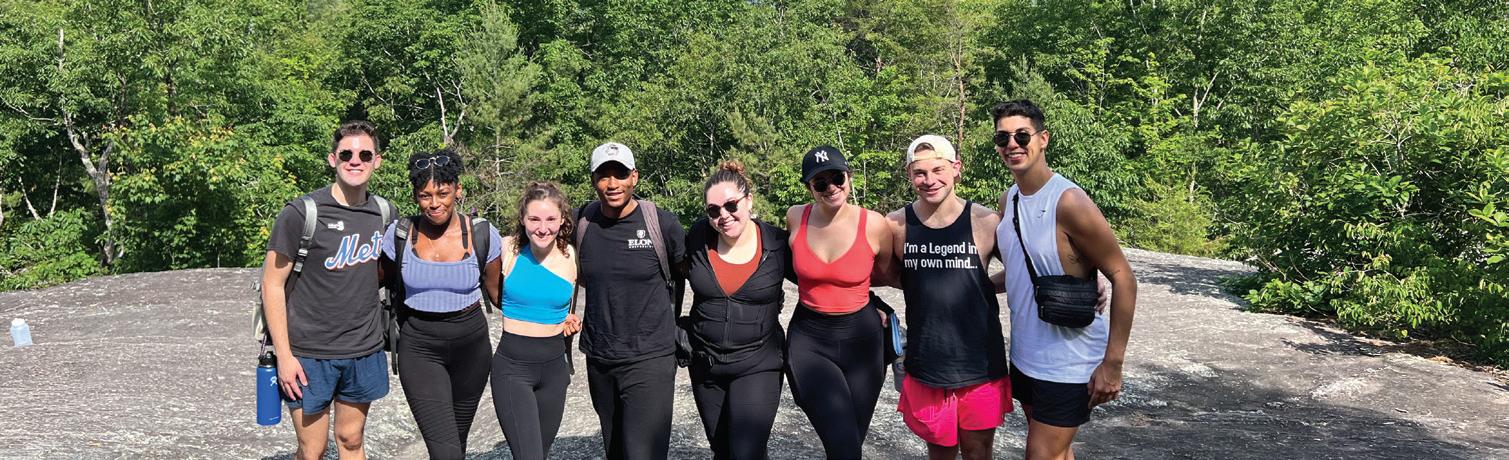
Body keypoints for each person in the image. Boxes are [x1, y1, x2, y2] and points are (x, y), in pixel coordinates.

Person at [991, 100, 1138, 460]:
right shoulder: (1008, 200)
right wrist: (971, 286)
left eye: (1022, 136)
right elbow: (1021, 271)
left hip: (1070, 360)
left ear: (1043, 139)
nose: (1012, 144)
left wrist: (1113, 363)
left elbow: (1123, 276)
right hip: (1026, 354)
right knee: (1058, 452)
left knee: (1041, 454)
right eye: (1003, 138)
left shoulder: (1068, 201)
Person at [260, 120, 394, 460]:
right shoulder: (301, 214)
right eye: (346, 154)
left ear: (377, 161)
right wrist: (284, 356)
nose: (355, 161)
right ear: (333, 159)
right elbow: (272, 283)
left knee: (351, 440)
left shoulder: (383, 213)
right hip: (309, 353)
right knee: (312, 449)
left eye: (365, 155)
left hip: (363, 349)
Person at [883, 135, 1010, 460]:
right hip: (928, 361)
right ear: (909, 174)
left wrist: (981, 285)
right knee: (940, 451)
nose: (929, 180)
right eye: (920, 173)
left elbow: (1024, 267)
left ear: (956, 168)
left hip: (980, 362)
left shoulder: (985, 221)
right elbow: (881, 274)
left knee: (978, 452)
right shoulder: (896, 225)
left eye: (938, 170)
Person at [379, 147, 501, 459]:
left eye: (443, 193)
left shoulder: (482, 233)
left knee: (456, 444)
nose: (434, 203)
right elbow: (373, 282)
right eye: (425, 196)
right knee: (446, 451)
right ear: (415, 196)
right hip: (420, 348)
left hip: (472, 350)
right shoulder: (400, 234)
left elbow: (499, 295)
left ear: (457, 190)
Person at [574, 142, 687, 460]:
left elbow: (688, 272)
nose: (612, 184)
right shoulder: (582, 222)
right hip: (600, 357)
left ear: (634, 177)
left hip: (650, 357)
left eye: (620, 174)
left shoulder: (662, 224)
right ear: (593, 180)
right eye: (603, 176)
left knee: (643, 453)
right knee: (615, 450)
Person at [784, 145, 895, 460]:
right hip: (810, 341)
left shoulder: (874, 224)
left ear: (849, 177)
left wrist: (872, 300)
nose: (831, 187)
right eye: (820, 182)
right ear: (809, 187)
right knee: (844, 446)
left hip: (863, 342)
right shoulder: (796, 217)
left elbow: (886, 273)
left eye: (837, 178)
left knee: (851, 443)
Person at [684, 161, 793, 459]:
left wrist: (873, 303)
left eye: (731, 205)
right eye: (713, 210)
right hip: (706, 365)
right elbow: (662, 274)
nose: (723, 215)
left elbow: (820, 278)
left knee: (747, 451)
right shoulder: (697, 238)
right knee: (721, 451)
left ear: (749, 201)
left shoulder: (776, 243)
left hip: (758, 362)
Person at [491, 181, 583, 460]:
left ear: (563, 219)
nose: (543, 228)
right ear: (522, 219)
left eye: (551, 219)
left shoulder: (571, 255)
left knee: (539, 454)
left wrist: (569, 322)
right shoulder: (506, 249)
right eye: (534, 219)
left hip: (555, 371)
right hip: (513, 370)